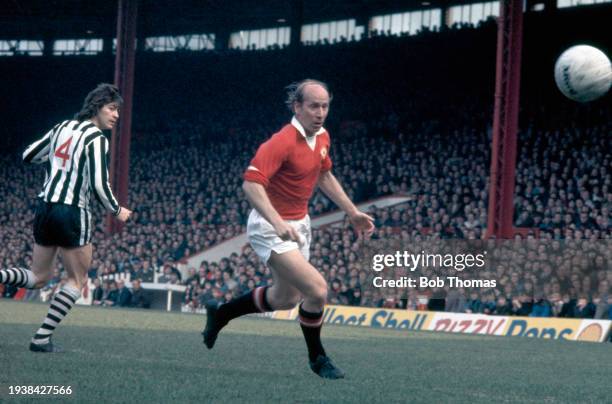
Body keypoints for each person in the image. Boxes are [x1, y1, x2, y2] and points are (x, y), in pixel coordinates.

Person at [202, 79, 374, 379]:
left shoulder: (322, 137)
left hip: (298, 225)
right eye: (313, 106)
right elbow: (251, 185)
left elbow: (325, 175)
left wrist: (352, 212)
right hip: (270, 227)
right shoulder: (281, 141)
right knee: (317, 290)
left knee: (285, 299)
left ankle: (222, 312)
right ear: (297, 107)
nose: (320, 112)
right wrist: (277, 223)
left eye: (325, 106)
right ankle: (317, 358)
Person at [0, 83, 132, 352]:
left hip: (45, 207)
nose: (116, 115)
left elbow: (29, 156)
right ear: (96, 108)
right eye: (112, 109)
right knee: (77, 280)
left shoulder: (62, 127)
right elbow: (98, 183)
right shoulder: (96, 139)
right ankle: (41, 339)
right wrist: (118, 210)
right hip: (73, 211)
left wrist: (58, 165)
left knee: (38, 276)